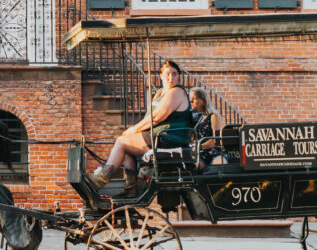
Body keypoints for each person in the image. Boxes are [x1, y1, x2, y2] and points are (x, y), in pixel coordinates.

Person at [88, 59, 193, 196]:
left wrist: (133, 130)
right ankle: (131, 188)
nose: (171, 77)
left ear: (179, 76)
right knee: (125, 150)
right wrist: (133, 132)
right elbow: (149, 118)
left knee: (121, 142)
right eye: (167, 74)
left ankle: (101, 179)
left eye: (174, 74)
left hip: (169, 139)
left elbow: (157, 117)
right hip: (158, 136)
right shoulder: (161, 93)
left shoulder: (177, 92)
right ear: (160, 76)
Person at [189, 88, 224, 167]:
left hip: (211, 153)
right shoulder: (194, 119)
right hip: (198, 155)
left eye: (195, 98)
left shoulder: (213, 116)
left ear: (204, 101)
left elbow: (216, 140)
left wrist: (199, 147)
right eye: (190, 99)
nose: (191, 101)